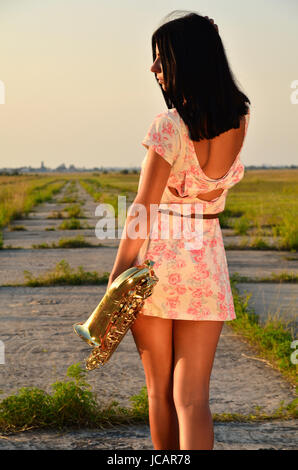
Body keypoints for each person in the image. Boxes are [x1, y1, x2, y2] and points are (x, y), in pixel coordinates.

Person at [107, 10, 251, 450]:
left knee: (159, 392)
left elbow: (142, 210)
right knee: (193, 398)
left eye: (160, 58)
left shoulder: (168, 126)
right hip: (206, 262)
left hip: (157, 264)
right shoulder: (239, 117)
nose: (154, 69)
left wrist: (116, 276)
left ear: (184, 60)